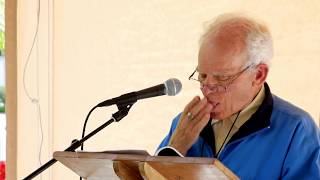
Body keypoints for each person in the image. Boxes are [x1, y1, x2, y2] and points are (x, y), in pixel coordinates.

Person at [156, 13, 320, 179]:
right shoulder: (184, 124)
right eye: (203, 76)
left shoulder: (297, 130)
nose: (207, 89)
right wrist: (176, 147)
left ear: (258, 75)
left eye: (222, 78)